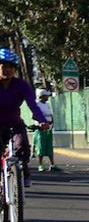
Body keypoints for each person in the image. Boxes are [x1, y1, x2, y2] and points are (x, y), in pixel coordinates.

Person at [0, 48, 50, 187]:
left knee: (22, 148)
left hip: (14, 124)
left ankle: (24, 171)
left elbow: (33, 105)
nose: (7, 70)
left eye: (10, 67)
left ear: (14, 70)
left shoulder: (21, 85)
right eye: (3, 66)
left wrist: (42, 121)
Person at [33, 89, 57, 171]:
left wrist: (52, 123)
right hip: (40, 129)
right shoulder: (37, 104)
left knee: (49, 147)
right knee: (41, 147)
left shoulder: (47, 104)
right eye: (46, 95)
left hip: (49, 128)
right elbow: (34, 116)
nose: (48, 97)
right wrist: (42, 123)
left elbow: (50, 114)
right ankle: (40, 165)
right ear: (42, 96)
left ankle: (52, 165)